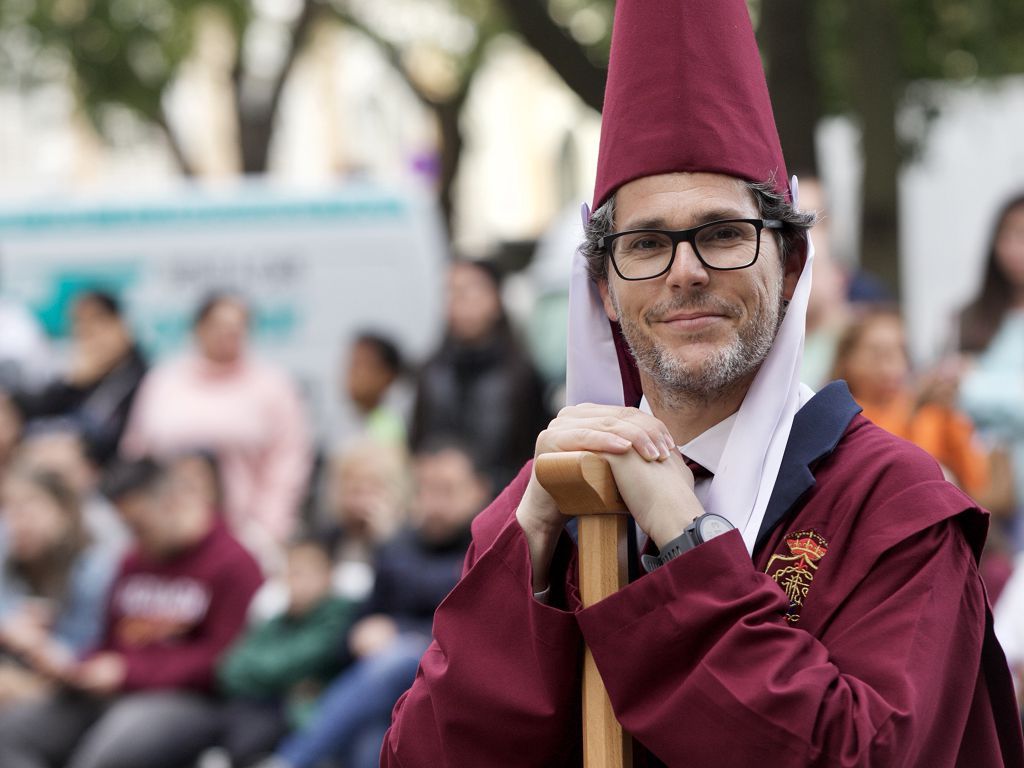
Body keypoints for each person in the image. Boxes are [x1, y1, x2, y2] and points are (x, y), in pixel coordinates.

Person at [382, 1, 1024, 766]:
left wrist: (686, 545)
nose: (686, 273)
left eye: (723, 233)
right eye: (646, 244)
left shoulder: (892, 505)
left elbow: (867, 755)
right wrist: (526, 556)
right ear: (603, 292)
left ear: (789, 267)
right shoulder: (547, 501)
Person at [0, 455, 264, 768]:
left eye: (139, 525)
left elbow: (226, 662)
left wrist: (129, 672)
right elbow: (112, 639)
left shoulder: (235, 565)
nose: (133, 537)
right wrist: (79, 667)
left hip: (187, 700)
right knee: (12, 733)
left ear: (173, 503)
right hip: (114, 691)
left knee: (106, 755)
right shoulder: (133, 560)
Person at [262, 439, 490, 768]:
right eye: (426, 490)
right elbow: (359, 622)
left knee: (395, 658)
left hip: (451, 678)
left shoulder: (487, 547)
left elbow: (469, 626)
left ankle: (288, 760)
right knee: (371, 738)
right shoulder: (401, 543)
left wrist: (396, 629)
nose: (434, 503)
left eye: (447, 490)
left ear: (478, 490)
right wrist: (358, 634)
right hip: (385, 688)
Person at [120, 292, 313, 568]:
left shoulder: (274, 385)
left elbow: (288, 462)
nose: (227, 335)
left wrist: (269, 528)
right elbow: (137, 450)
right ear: (199, 328)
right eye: (219, 326)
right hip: (165, 532)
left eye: (237, 327)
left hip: (246, 529)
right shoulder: (164, 381)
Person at [410, 259, 551, 490]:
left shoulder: (521, 376)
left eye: (469, 291)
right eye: (452, 292)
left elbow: (534, 454)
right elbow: (417, 444)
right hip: (438, 506)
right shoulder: (430, 372)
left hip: (503, 501)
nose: (459, 301)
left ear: (495, 299)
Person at [217, 539, 356, 767]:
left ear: (327, 576)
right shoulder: (276, 621)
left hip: (309, 719)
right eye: (290, 574)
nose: (294, 583)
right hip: (264, 708)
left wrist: (264, 672)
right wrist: (282, 680)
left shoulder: (339, 617)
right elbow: (229, 669)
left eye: (302, 574)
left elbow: (291, 663)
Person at [833, 307, 990, 497]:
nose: (891, 365)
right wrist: (913, 410)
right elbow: (883, 469)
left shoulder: (926, 407)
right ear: (847, 360)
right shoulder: (839, 417)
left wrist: (953, 414)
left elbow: (976, 478)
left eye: (900, 351)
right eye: (878, 354)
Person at [0, 466, 119, 708]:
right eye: (10, 509)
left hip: (75, 695)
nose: (19, 522)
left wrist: (40, 646)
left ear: (64, 511)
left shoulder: (94, 569)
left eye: (30, 507)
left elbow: (86, 660)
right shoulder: (8, 555)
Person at [10, 291, 147, 467]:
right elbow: (33, 409)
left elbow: (119, 441)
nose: (88, 333)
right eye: (79, 324)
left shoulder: (143, 379)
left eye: (97, 321)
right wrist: (72, 383)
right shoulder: (77, 377)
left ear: (121, 324)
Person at [958, 193, 1024, 536]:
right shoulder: (973, 316)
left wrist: (971, 385)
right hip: (980, 488)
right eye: (1008, 234)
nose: (1015, 247)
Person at [337, 331, 410, 447]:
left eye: (361, 364)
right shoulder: (338, 421)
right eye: (352, 363)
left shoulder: (391, 425)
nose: (353, 372)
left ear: (387, 376)